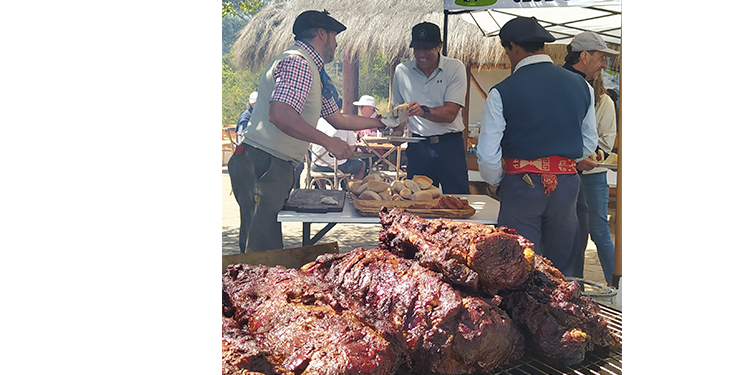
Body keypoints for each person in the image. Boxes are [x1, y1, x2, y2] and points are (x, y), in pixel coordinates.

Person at [228, 10, 385, 253]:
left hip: (269, 164)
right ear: (321, 34)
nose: (336, 43)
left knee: (262, 247)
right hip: (263, 163)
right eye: (334, 36)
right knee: (261, 252)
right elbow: (279, 114)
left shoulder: (313, 70)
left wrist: (379, 123)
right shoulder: (298, 62)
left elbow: (337, 119)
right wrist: (328, 142)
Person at [476, 16, 598, 277]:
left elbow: (487, 154)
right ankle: (561, 313)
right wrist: (564, 163)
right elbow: (588, 142)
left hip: (521, 183)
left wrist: (497, 181)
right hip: (566, 183)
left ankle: (522, 316)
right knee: (562, 267)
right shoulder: (582, 86)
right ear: (542, 45)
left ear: (512, 47)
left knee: (519, 264)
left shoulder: (502, 91)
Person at [562, 31, 620, 284]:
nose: (604, 65)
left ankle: (614, 283)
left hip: (593, 175)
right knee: (571, 233)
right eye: (602, 58)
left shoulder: (604, 101)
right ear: (585, 57)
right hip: (565, 172)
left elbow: (607, 141)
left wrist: (594, 155)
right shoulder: (563, 88)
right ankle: (574, 284)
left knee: (597, 231)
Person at [390, 22, 470, 194]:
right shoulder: (402, 71)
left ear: (439, 46)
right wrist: (396, 131)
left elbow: (450, 114)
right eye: (417, 48)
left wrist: (423, 111)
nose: (421, 54)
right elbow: (399, 111)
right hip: (418, 146)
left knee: (457, 200)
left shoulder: (455, 68)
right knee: (417, 201)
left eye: (427, 48)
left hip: (450, 146)